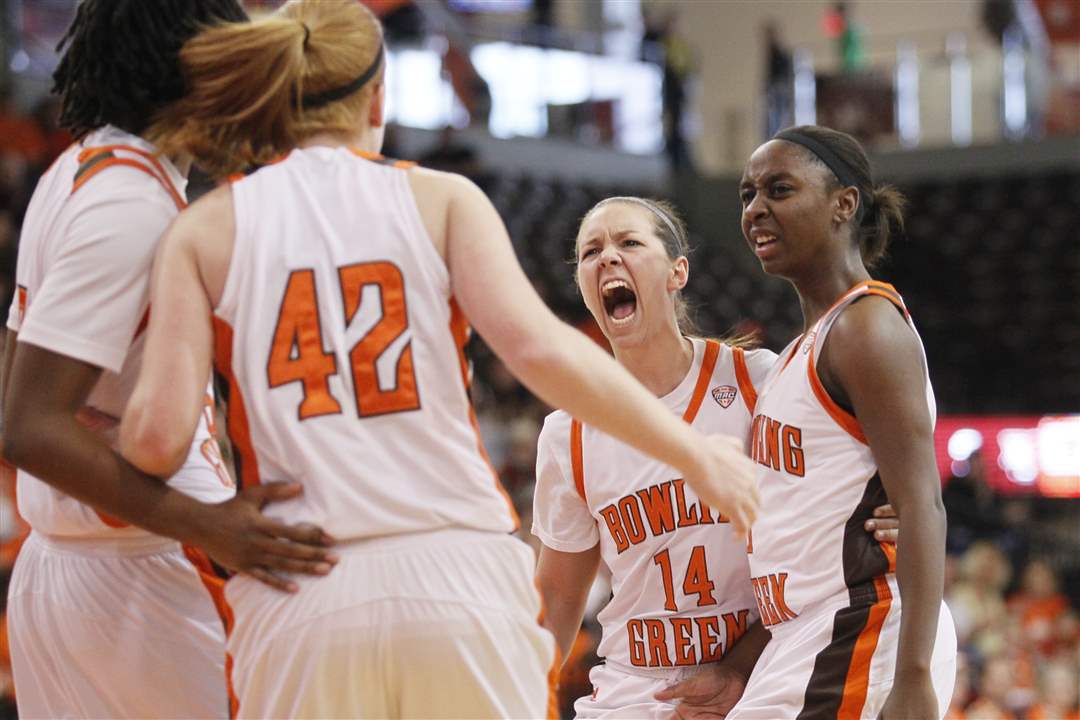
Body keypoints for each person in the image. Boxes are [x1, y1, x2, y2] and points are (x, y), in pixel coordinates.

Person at [118, 1, 759, 717]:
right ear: (378, 97)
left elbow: (154, 439)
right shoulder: (440, 197)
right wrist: (698, 456)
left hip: (304, 583)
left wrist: (195, 507)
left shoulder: (203, 228)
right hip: (456, 579)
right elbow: (538, 351)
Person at [0, 2, 341, 717]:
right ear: (194, 77)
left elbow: (20, 383)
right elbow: (27, 426)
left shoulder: (78, 170)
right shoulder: (129, 206)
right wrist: (210, 524)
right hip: (144, 575)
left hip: (63, 573)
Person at [533, 196, 901, 719]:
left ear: (677, 271)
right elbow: (556, 599)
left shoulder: (759, 383)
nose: (608, 258)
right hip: (636, 688)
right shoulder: (567, 432)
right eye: (591, 251)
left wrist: (898, 504)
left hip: (761, 669)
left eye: (629, 243)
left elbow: (853, 475)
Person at [672, 124, 957, 719]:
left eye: (779, 189)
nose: (755, 210)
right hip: (803, 637)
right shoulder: (799, 350)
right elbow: (807, 527)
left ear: (843, 204)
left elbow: (922, 505)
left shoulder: (866, 328)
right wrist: (741, 664)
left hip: (865, 629)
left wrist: (913, 679)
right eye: (747, 194)